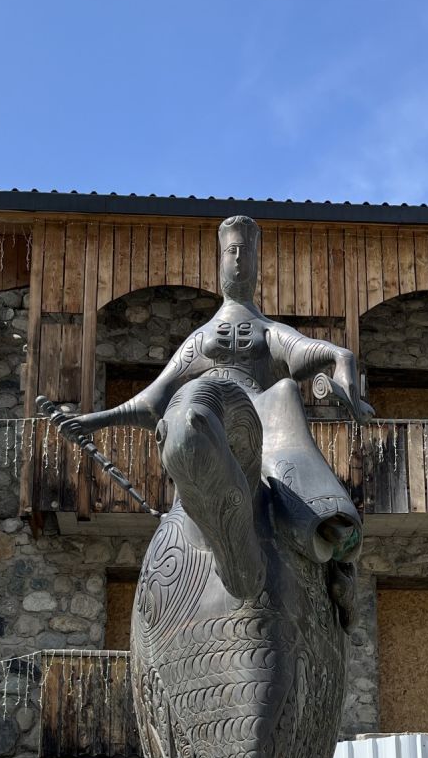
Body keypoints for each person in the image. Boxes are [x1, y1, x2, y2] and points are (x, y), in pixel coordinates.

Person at [46, 215, 373, 621]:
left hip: (266, 421)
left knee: (287, 404)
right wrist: (97, 419)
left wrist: (343, 367)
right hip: (211, 422)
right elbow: (154, 398)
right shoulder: (200, 339)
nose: (238, 262)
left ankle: (333, 543)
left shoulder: (269, 331)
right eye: (230, 254)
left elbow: (319, 351)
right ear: (219, 264)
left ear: (256, 266)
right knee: (190, 413)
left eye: (245, 255)